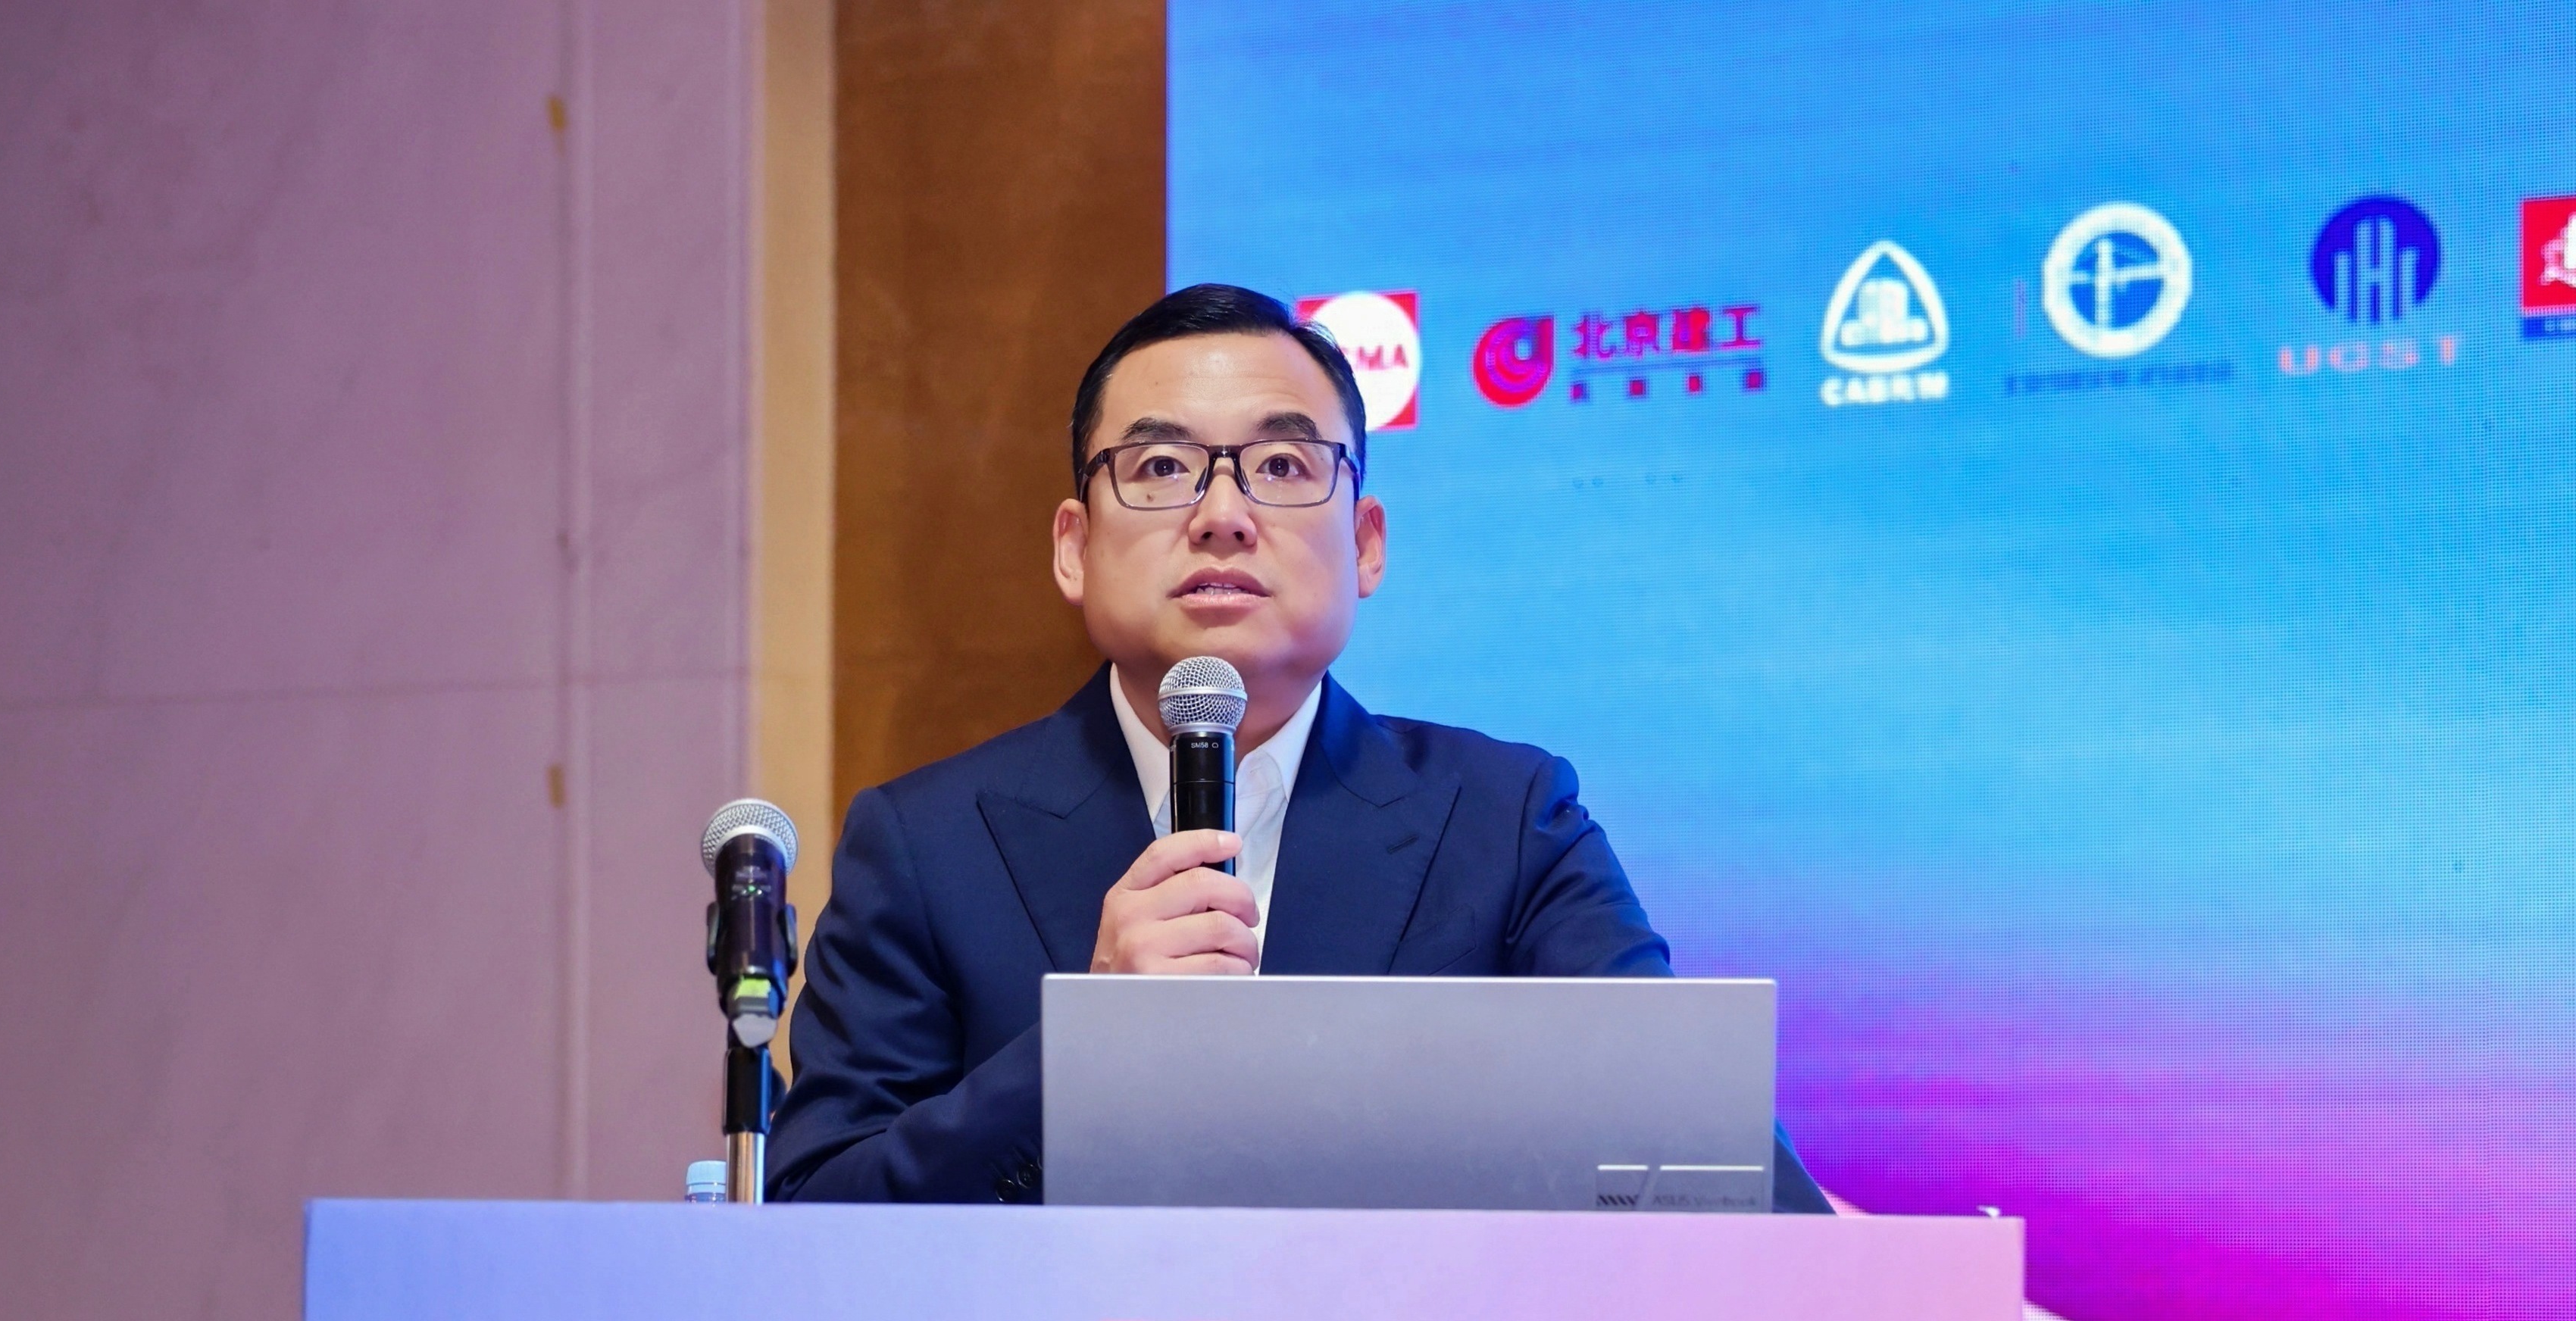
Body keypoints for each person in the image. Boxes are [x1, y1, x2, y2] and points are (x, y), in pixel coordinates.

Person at [768, 283, 1828, 1210]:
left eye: (1281, 463)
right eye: (1161, 465)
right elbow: (816, 1217)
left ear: (1364, 544)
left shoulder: (1506, 821)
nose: (1222, 514)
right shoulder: (925, 843)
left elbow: (1719, 1174)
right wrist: (1083, 1052)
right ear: (1074, 549)